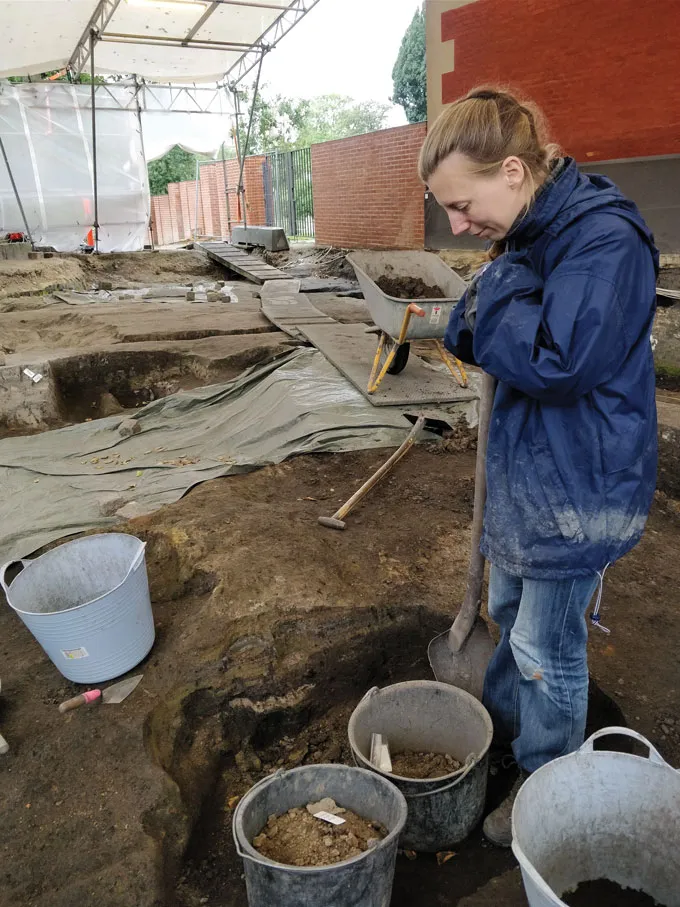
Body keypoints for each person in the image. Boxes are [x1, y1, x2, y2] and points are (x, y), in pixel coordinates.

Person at [418, 87, 658, 846]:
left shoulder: (604, 242)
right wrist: (496, 302)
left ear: (513, 170)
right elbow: (464, 325)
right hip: (530, 477)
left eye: (462, 205)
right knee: (512, 619)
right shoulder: (529, 237)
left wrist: (499, 299)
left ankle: (544, 778)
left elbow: (558, 359)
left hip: (578, 489)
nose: (458, 227)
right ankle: (502, 735)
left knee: (547, 647)